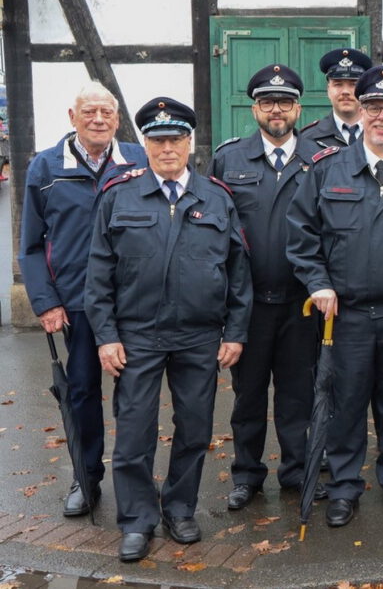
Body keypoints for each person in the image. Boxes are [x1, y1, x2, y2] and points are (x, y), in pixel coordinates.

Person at [85, 97, 251, 562]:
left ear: (189, 142)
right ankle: (137, 520)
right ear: (145, 144)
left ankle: (180, 508)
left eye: (175, 139)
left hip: (199, 336)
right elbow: (97, 274)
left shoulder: (216, 197)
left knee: (195, 429)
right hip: (136, 335)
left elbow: (239, 274)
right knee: (135, 431)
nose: (167, 148)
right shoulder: (120, 195)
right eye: (157, 140)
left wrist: (235, 332)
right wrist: (105, 335)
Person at [287, 65, 383, 528]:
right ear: (360, 110)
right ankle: (342, 486)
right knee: (346, 404)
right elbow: (301, 236)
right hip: (347, 317)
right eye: (374, 107)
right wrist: (318, 284)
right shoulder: (326, 170)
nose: (382, 117)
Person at [19, 82, 147, 519]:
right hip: (75, 303)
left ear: (117, 118)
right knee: (81, 394)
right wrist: (45, 302)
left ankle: (137, 482)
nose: (98, 120)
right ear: (72, 118)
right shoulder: (45, 167)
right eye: (88, 112)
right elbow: (31, 246)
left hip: (134, 302)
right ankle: (85, 477)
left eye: (106, 113)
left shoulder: (140, 160)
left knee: (135, 396)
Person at [210, 64, 325, 510]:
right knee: (249, 396)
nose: (276, 110)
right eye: (266, 102)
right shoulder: (229, 159)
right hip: (249, 304)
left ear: (298, 107)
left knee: (298, 394)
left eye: (285, 102)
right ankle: (247, 475)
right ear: (254, 108)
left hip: (301, 304)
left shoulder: (321, 158)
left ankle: (296, 472)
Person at [300, 47, 373, 148]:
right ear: (328, 89)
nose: (345, 92)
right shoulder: (308, 138)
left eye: (353, 84)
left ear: (364, 89)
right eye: (338, 84)